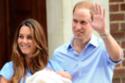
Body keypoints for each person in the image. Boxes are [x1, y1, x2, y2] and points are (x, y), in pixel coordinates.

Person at [48, 1, 124, 83]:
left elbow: (118, 57)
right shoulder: (59, 53)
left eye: (83, 22)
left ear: (93, 22)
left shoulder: (103, 48)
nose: (77, 27)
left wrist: (103, 32)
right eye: (75, 21)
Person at [0, 18, 71, 83]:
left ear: (38, 41)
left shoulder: (52, 66)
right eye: (21, 37)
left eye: (29, 37)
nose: (24, 41)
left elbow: (67, 79)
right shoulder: (9, 68)